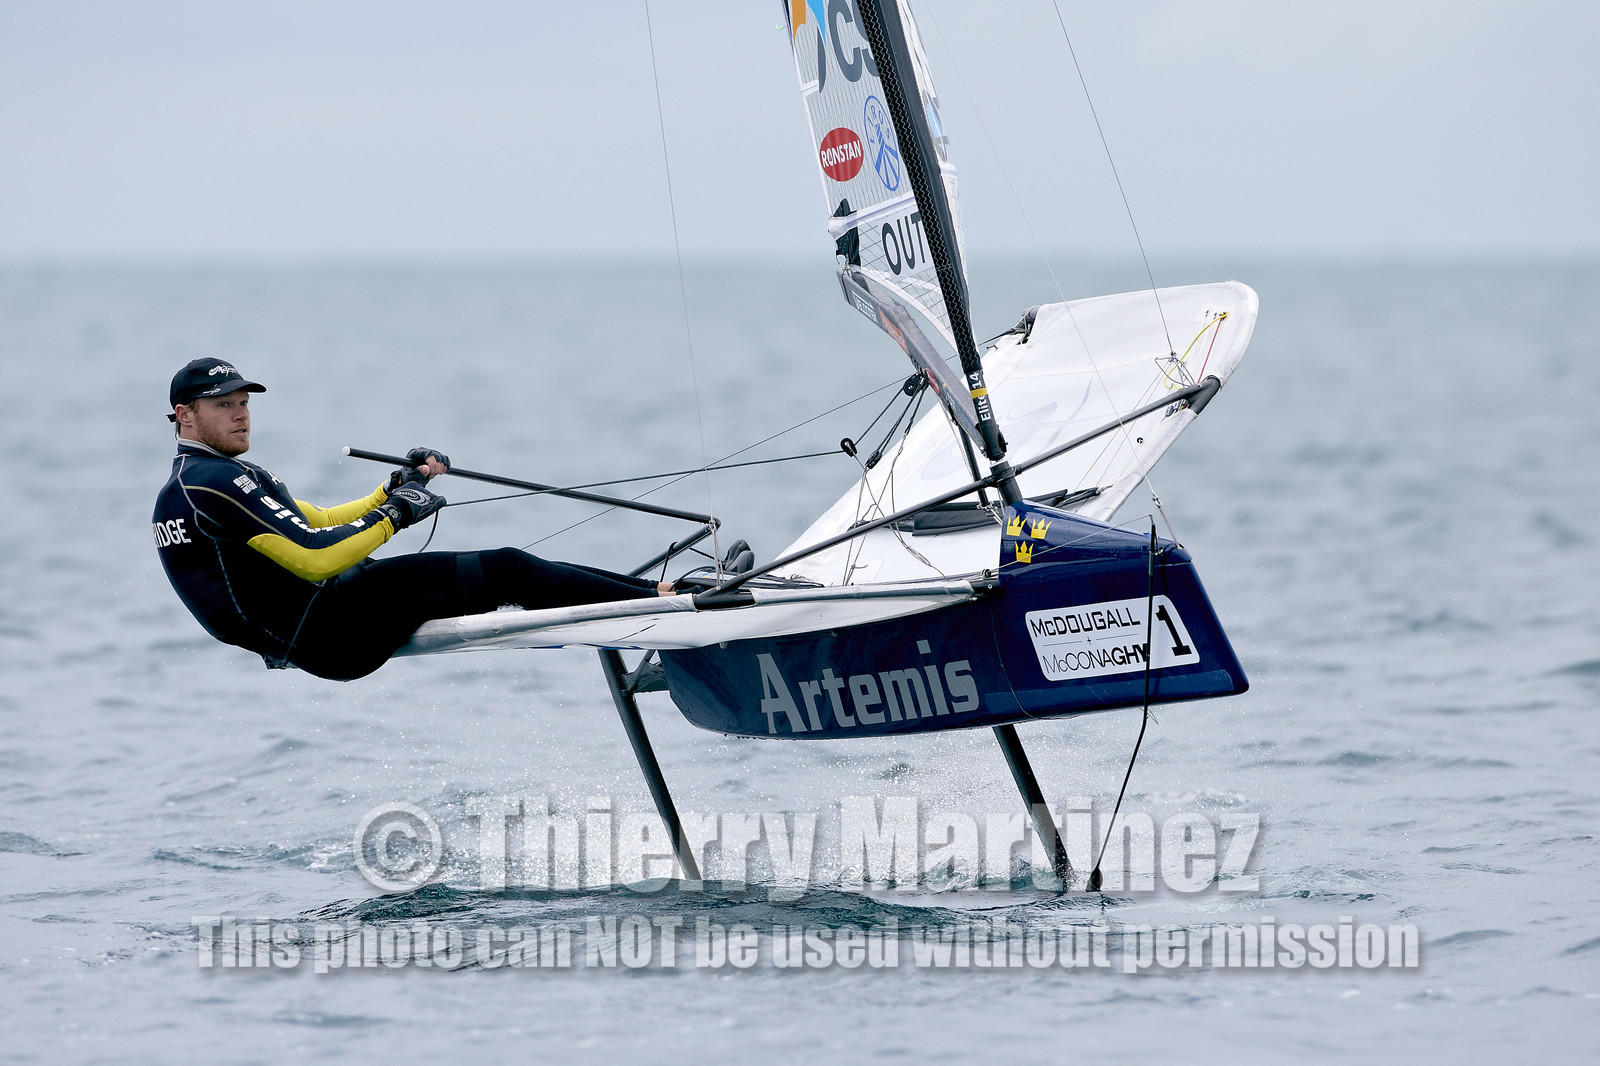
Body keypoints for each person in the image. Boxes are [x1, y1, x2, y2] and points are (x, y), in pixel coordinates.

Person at [152, 357, 688, 681]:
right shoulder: (212, 483)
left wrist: (394, 489)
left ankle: (658, 593)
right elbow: (315, 557)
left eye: (243, 402)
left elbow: (314, 520)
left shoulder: (203, 480)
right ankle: (668, 605)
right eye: (223, 405)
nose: (241, 414)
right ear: (185, 416)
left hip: (324, 620)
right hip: (330, 630)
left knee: (508, 568)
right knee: (507, 570)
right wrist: (397, 514)